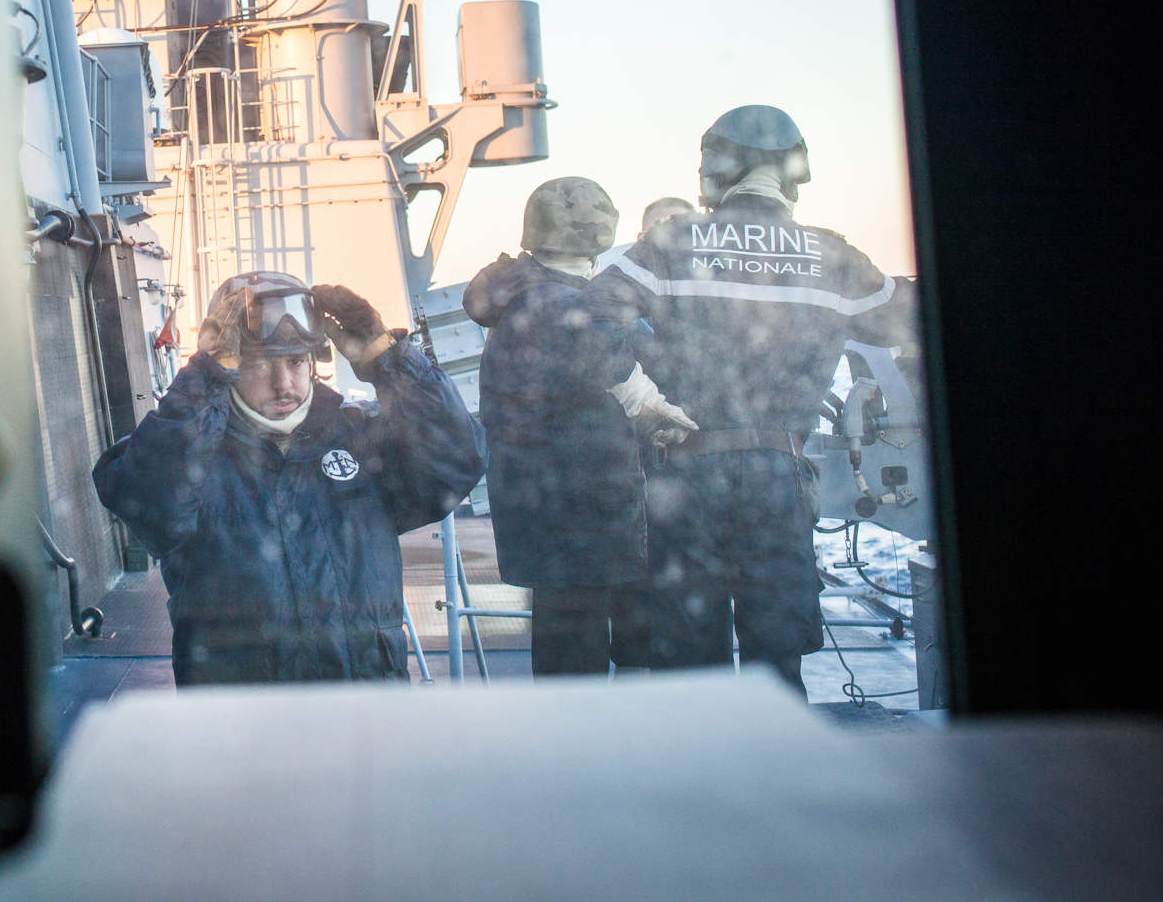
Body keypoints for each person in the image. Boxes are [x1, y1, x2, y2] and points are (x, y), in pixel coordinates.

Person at [575, 105, 916, 696]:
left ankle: (702, 778)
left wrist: (643, 400)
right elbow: (904, 321)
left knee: (687, 652)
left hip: (687, 473)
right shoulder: (832, 257)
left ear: (715, 168)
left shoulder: (672, 243)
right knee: (777, 648)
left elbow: (584, 322)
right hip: (778, 474)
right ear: (793, 171)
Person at [93, 272, 486, 685]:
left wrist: (388, 359)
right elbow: (152, 510)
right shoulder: (186, 451)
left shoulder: (361, 440)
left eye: (296, 361)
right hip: (243, 727)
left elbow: (459, 461)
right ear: (227, 364)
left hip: (368, 712)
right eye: (259, 363)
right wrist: (201, 381)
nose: (284, 384)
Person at [465, 177, 697, 677]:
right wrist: (661, 411)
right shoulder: (560, 305)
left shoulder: (528, 297)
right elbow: (617, 362)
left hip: (554, 512)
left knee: (573, 643)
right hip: (582, 515)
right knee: (581, 658)